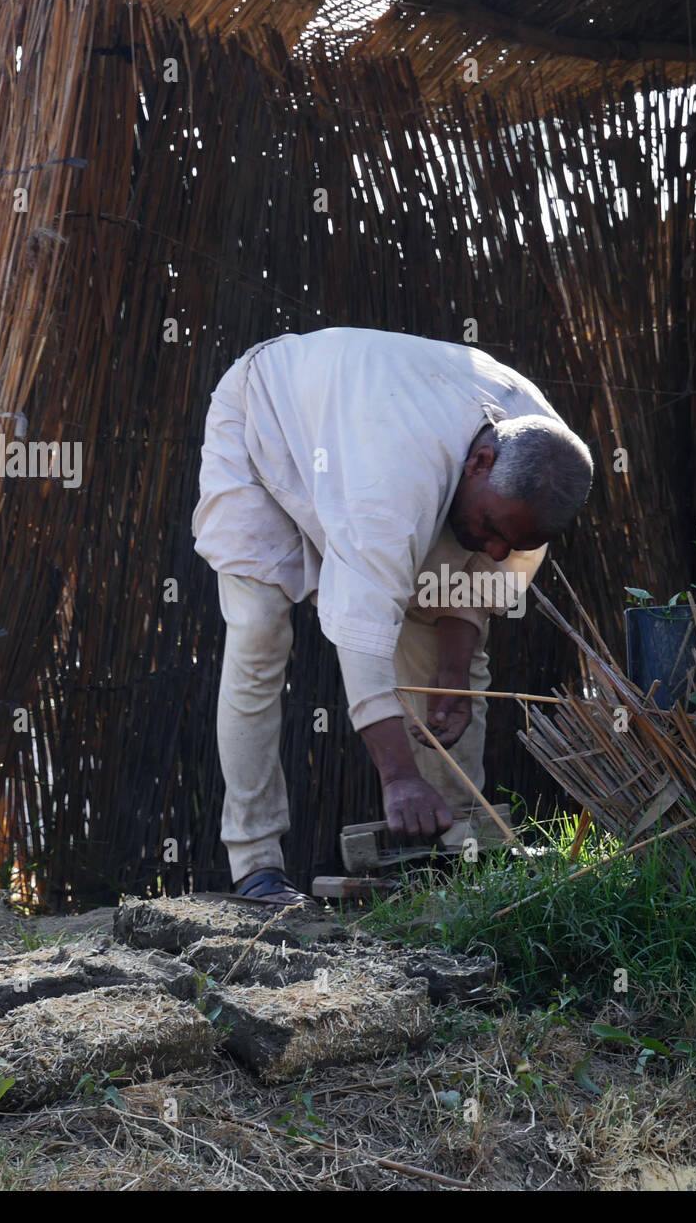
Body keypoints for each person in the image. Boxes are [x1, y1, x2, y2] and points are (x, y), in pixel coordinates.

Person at [192, 328, 593, 905]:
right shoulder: (392, 483)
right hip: (266, 426)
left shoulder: (544, 464)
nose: (499, 549)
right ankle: (256, 866)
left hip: (372, 447)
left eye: (515, 541)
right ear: (481, 461)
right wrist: (398, 777)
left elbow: (483, 574)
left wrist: (453, 670)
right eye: (494, 532)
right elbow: (361, 632)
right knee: (259, 632)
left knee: (448, 662)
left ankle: (458, 847)